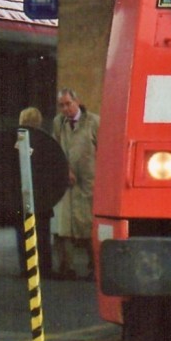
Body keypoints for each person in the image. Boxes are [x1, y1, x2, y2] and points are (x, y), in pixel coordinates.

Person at [51, 88, 99, 279]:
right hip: (67, 182)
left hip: (89, 181)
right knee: (64, 227)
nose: (65, 109)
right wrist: (64, 170)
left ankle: (94, 268)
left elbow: (104, 150)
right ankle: (66, 267)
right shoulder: (58, 123)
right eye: (61, 105)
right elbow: (55, 149)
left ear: (77, 102)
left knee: (89, 226)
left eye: (68, 104)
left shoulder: (94, 122)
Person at [16, 106, 52, 277]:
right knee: (42, 234)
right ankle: (44, 268)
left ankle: (26, 267)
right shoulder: (44, 140)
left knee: (22, 233)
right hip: (42, 195)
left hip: (20, 196)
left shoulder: (17, 139)